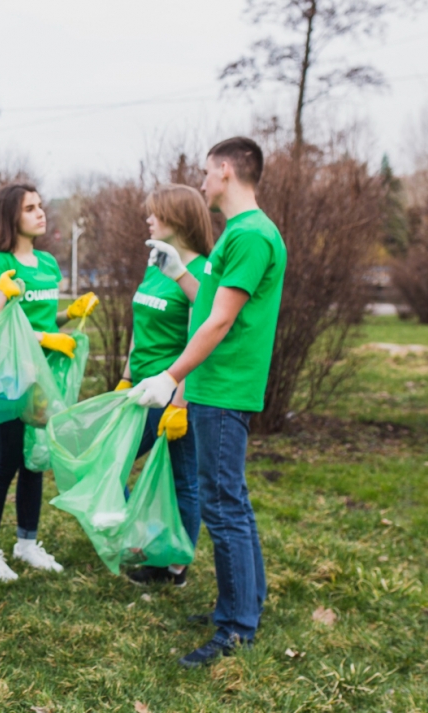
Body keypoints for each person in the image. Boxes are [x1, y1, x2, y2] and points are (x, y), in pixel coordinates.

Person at [131, 136, 286, 668]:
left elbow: (221, 321)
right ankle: (243, 604)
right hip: (214, 387)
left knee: (222, 508)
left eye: (205, 172)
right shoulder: (240, 235)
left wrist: (171, 374)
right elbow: (209, 305)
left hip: (222, 387)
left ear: (225, 170)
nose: (200, 183)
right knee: (232, 501)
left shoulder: (251, 235)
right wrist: (179, 272)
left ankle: (237, 627)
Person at [0, 183, 98, 582]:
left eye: (40, 206)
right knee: (4, 460)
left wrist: (67, 318)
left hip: (45, 376)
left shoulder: (47, 264)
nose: (40, 213)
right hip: (12, 377)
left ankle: (27, 543)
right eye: (30, 208)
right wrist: (45, 338)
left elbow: (40, 320)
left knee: (34, 461)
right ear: (11, 216)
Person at [117, 184, 214, 588]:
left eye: (155, 214)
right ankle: (144, 543)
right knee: (114, 465)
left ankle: (174, 567)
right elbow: (140, 328)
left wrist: (181, 401)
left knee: (182, 479)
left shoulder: (202, 272)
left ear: (177, 219)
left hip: (172, 392)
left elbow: (201, 338)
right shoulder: (156, 264)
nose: (148, 220)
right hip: (141, 389)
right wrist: (125, 377)